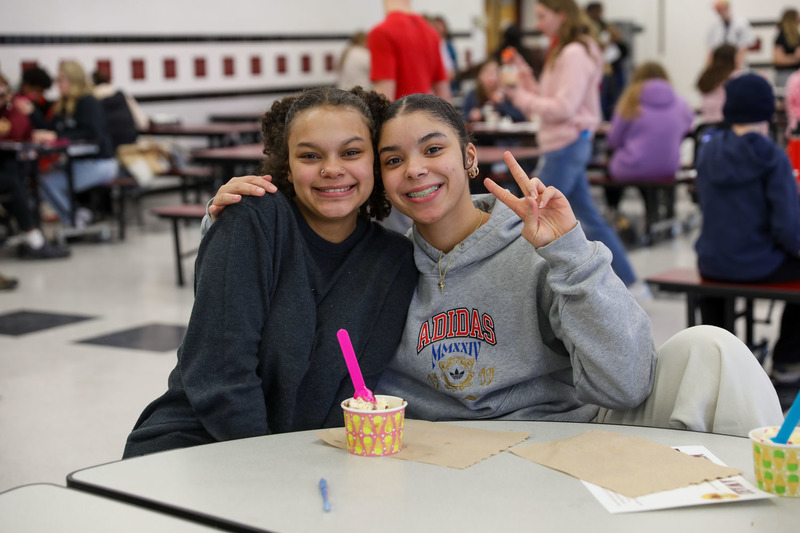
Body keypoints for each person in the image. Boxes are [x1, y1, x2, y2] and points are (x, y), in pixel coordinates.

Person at [206, 94, 783, 437]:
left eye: (433, 149)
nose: (415, 169)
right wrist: (229, 221)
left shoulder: (536, 245)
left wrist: (570, 254)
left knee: (712, 348)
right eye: (393, 159)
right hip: (436, 465)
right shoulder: (379, 259)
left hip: (562, 445)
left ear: (468, 156)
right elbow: (296, 269)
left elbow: (626, 385)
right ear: (380, 177)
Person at [123, 87, 417, 457]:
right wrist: (271, 466)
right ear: (287, 167)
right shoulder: (254, 219)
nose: (331, 168)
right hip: (198, 445)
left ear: (375, 161)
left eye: (351, 152)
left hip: (310, 456)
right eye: (310, 155)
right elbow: (220, 373)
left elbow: (353, 393)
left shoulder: (394, 260)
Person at [503, 0, 643, 294]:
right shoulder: (562, 50)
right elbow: (549, 100)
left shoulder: (574, 52)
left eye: (543, 16)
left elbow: (564, 108)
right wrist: (525, 78)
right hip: (566, 142)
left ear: (562, 15)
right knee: (589, 218)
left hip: (566, 143)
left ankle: (513, 287)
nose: (538, 24)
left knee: (533, 213)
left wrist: (521, 99)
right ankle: (629, 281)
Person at [695, 73, 800, 386]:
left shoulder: (707, 149)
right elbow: (787, 229)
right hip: (758, 265)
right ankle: (787, 361)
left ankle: (720, 362)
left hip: (712, 261)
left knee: (714, 282)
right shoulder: (772, 156)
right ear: (767, 112)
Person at [27, 61, 118, 227]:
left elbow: (91, 133)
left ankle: (76, 219)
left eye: (61, 79)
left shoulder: (88, 101)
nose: (58, 84)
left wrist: (55, 135)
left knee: (48, 182)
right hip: (76, 162)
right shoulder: (63, 104)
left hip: (100, 162)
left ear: (73, 80)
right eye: (57, 79)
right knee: (42, 179)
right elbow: (50, 129)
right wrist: (32, 112)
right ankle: (76, 217)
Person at [603, 62, 693, 215]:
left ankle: (614, 211)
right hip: (668, 167)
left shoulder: (630, 103)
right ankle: (662, 214)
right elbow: (688, 128)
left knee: (613, 164)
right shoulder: (681, 104)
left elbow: (613, 141)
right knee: (651, 176)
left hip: (632, 166)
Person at [0, 73, 70, 259]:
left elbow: (18, 131)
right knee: (13, 181)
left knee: (16, 175)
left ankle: (31, 236)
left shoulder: (12, 108)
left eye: (4, 95)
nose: (3, 99)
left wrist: (14, 108)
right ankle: (34, 240)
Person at [368, 0, 451, 102]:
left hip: (401, 111)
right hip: (425, 110)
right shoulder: (431, 33)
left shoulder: (382, 33)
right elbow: (445, 98)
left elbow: (384, 101)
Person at [585, 2, 629, 121]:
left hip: (612, 69)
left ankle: (612, 121)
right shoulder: (586, 29)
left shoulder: (606, 27)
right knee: (600, 102)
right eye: (598, 12)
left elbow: (622, 49)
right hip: (598, 70)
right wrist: (606, 43)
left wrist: (616, 40)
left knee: (614, 101)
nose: (600, 14)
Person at [91, 69, 149, 148]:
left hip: (108, 145)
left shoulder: (92, 98)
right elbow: (143, 123)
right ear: (108, 81)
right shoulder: (120, 94)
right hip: (129, 142)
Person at [460, 59, 526, 124]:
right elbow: (460, 119)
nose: (491, 77)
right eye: (487, 72)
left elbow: (521, 118)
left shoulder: (507, 94)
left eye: (494, 73)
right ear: (479, 75)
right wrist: (470, 116)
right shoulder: (472, 95)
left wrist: (502, 104)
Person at [696, 44, 741, 124]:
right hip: (727, 124)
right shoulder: (736, 76)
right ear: (732, 59)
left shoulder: (707, 76)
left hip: (708, 124)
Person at [706, 1, 755, 67]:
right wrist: (708, 68)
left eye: (722, 9)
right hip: (719, 64)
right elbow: (711, 51)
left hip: (736, 63)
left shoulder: (742, 24)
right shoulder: (714, 27)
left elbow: (744, 47)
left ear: (727, 8)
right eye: (718, 10)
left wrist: (737, 65)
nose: (721, 12)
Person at [773, 8, 800, 88]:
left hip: (795, 73)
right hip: (785, 74)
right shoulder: (782, 37)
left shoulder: (796, 37)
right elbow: (777, 59)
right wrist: (795, 58)